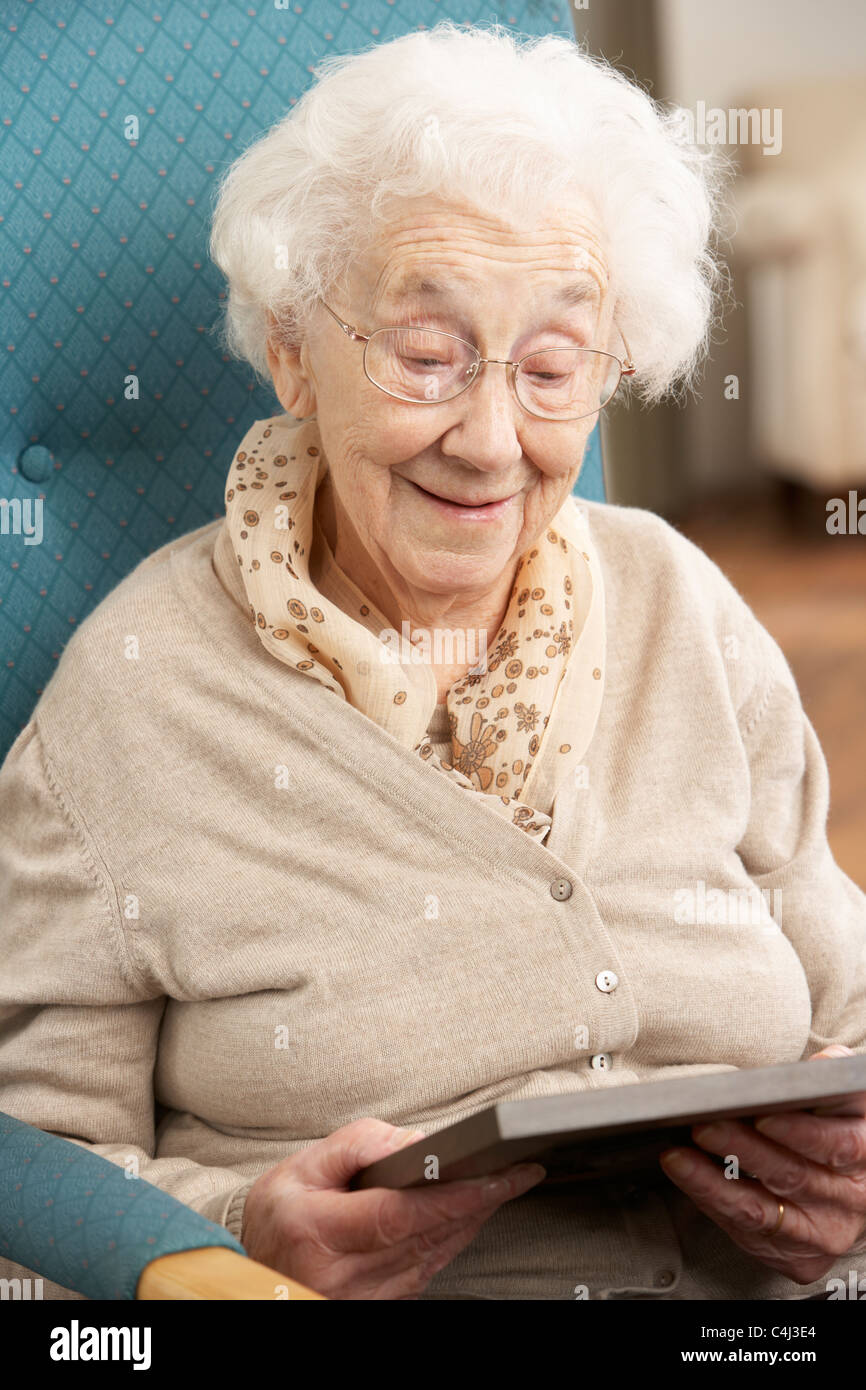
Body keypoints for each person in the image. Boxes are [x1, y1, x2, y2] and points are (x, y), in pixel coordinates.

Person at [1, 22, 865, 1301]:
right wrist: (235, 1229)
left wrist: (840, 1202)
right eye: (424, 356)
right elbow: (34, 1185)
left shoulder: (677, 600)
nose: (489, 438)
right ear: (292, 349)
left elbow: (841, 1002)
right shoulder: (136, 694)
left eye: (554, 367)